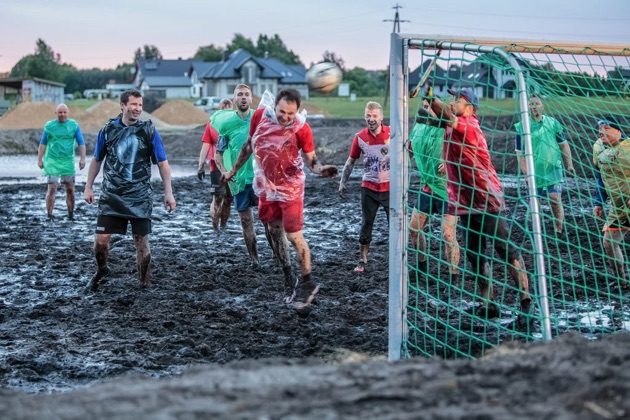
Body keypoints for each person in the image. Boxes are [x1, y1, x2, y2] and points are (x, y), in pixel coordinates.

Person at [426, 87, 533, 327]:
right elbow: (434, 116)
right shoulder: (450, 123)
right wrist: (427, 100)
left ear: (471, 108)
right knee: (475, 255)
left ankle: (526, 301)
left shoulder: (470, 125)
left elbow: (445, 115)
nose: (453, 102)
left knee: (504, 249)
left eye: (458, 100)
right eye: (453, 99)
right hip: (465, 201)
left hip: (485, 197)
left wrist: (431, 97)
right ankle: (489, 304)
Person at [225, 89, 338, 313]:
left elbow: (312, 161)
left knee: (293, 235)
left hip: (290, 188)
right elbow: (249, 145)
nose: (285, 117)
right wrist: (233, 170)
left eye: (290, 113)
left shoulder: (301, 128)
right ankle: (289, 278)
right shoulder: (259, 117)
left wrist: (321, 170)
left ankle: (307, 281)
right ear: (274, 106)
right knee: (273, 231)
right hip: (267, 186)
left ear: (296, 111)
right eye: (282, 111)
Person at [84, 89, 176, 291]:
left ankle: (143, 282)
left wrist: (168, 192)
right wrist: (88, 186)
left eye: (140, 105)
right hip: (112, 194)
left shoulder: (149, 131)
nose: (137, 109)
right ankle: (102, 269)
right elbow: (97, 160)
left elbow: (163, 163)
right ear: (123, 106)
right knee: (100, 242)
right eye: (133, 104)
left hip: (139, 196)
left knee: (141, 243)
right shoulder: (108, 130)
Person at [408, 99, 460, 282]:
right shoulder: (419, 127)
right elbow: (410, 148)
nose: (425, 109)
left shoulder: (447, 126)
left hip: (449, 190)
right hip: (428, 186)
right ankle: (421, 268)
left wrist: (450, 162)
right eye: (423, 106)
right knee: (413, 229)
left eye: (428, 106)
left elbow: (464, 151)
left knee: (447, 234)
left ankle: (453, 277)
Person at [338, 101, 390, 273]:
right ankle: (362, 260)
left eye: (374, 116)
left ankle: (399, 259)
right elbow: (351, 160)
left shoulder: (392, 133)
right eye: (368, 115)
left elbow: (408, 151)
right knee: (367, 223)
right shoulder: (360, 137)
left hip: (391, 189)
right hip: (369, 188)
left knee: (396, 225)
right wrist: (342, 182)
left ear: (381, 117)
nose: (371, 119)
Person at [514, 95, 575, 234]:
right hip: (534, 172)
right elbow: (520, 153)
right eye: (530, 104)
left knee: (554, 197)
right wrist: (526, 173)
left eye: (536, 103)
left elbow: (564, 145)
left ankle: (558, 229)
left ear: (542, 106)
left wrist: (569, 165)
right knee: (535, 203)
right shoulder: (522, 127)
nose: (534, 106)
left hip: (553, 169)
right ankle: (537, 230)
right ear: (526, 107)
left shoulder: (553, 123)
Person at [214, 84, 259, 267]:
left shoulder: (260, 118)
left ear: (251, 99)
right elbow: (218, 153)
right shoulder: (226, 124)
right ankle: (254, 259)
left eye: (246, 95)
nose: (243, 97)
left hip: (260, 178)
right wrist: (224, 170)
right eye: (239, 94)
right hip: (238, 180)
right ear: (234, 99)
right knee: (246, 220)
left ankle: (275, 252)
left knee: (268, 222)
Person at [592, 118, 629, 289]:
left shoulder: (628, 147)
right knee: (609, 242)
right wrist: (598, 201)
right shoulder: (599, 149)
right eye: (600, 129)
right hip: (619, 207)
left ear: (618, 132)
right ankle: (623, 281)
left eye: (606, 128)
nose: (602, 132)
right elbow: (600, 178)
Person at [37, 103, 86, 220]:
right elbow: (42, 144)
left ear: (67, 113)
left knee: (70, 188)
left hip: (67, 162)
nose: (62, 114)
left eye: (64, 112)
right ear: (56, 113)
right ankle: (49, 214)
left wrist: (83, 158)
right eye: (60, 112)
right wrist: (40, 159)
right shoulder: (49, 126)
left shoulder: (73, 125)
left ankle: (70, 215)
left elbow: (81, 143)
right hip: (52, 161)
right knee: (52, 188)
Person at [197, 98, 234, 231]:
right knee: (218, 197)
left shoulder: (237, 124)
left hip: (233, 167)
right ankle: (215, 227)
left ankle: (222, 226)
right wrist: (200, 166)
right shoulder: (212, 124)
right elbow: (205, 146)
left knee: (228, 199)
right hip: (216, 166)